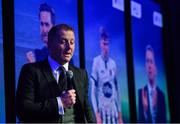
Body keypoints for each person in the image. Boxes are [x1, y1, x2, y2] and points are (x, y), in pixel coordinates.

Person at [16, 24, 95, 123]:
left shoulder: (81, 75)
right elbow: (23, 111)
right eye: (63, 42)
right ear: (49, 44)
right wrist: (60, 102)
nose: (69, 47)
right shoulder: (31, 71)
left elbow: (87, 111)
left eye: (72, 42)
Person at [90, 27, 123, 123]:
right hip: (102, 113)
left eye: (107, 44)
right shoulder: (96, 62)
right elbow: (93, 91)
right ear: (100, 44)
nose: (106, 47)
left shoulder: (113, 64)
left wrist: (120, 115)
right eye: (104, 44)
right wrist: (96, 114)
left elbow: (117, 90)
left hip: (114, 113)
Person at [138, 45, 167, 123]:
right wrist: (145, 111)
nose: (149, 66)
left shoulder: (161, 96)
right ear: (145, 66)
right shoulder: (140, 93)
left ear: (156, 69)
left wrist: (154, 110)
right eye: (147, 61)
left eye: (151, 62)